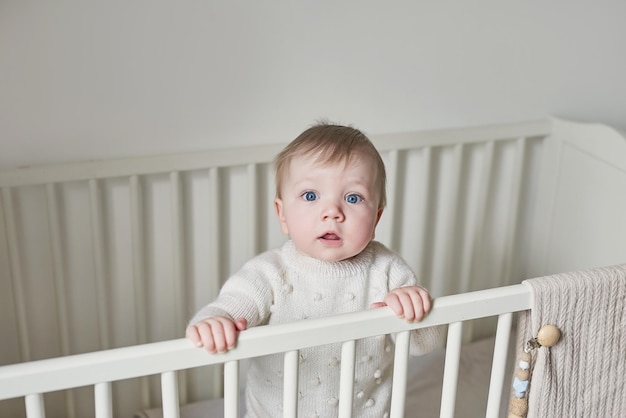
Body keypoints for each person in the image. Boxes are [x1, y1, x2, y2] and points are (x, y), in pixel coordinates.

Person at [186, 122, 444, 417]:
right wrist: (215, 321)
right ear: (282, 215)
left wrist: (413, 309)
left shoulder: (388, 272)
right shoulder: (270, 273)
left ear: (376, 218)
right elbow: (228, 309)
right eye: (311, 196)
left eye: (353, 197)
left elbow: (426, 345)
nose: (332, 211)